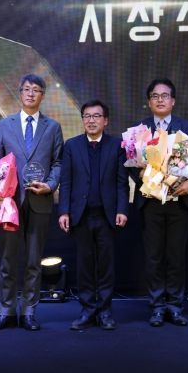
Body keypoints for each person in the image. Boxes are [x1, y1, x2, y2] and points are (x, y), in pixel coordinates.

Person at [0, 74, 63, 332]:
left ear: (43, 96)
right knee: (8, 260)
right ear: (20, 93)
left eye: (36, 90)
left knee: (33, 259)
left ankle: (29, 311)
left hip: (40, 201)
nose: (31, 94)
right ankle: (5, 311)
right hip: (10, 203)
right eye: (27, 89)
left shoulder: (52, 127)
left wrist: (50, 185)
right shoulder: (4, 125)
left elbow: (58, 162)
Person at [129, 78, 188, 327]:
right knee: (154, 256)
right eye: (155, 96)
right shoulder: (140, 130)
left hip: (179, 200)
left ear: (173, 101)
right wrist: (142, 174)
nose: (160, 100)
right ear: (149, 102)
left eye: (165, 95)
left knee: (176, 256)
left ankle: (175, 306)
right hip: (151, 202)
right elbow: (130, 162)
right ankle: (157, 305)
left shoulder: (186, 127)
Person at [58, 100, 129, 331]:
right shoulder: (72, 145)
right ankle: (88, 310)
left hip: (107, 215)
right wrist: (64, 211)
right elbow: (66, 182)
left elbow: (121, 182)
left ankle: (105, 311)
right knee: (85, 266)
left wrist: (122, 209)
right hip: (81, 216)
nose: (91, 120)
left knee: (106, 266)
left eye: (96, 116)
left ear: (105, 121)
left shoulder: (116, 145)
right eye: (87, 116)